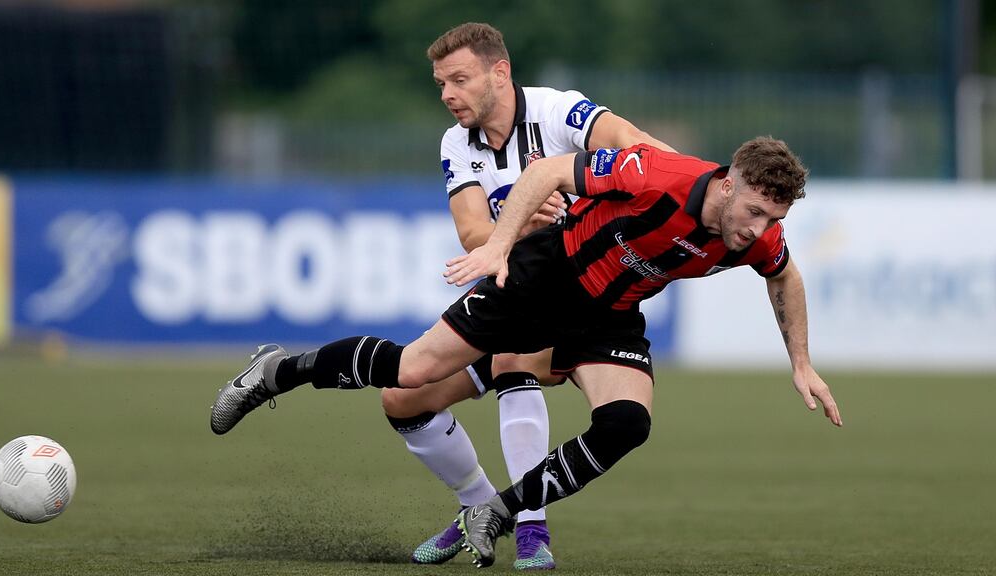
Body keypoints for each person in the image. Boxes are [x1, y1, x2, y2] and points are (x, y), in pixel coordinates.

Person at [211, 135, 842, 568]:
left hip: (607, 319)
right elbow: (547, 172)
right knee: (409, 376)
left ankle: (499, 513)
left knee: (628, 422)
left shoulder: (757, 237)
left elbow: (784, 275)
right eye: (754, 212)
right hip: (544, 276)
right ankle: (277, 370)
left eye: (771, 219)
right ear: (729, 184)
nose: (757, 231)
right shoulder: (656, 175)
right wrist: (497, 249)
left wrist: (801, 362)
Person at [378, 22, 677, 570]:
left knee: (517, 358)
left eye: (459, 80)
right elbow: (472, 233)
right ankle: (479, 507)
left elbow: (633, 143)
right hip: (514, 294)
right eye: (441, 83)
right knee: (400, 399)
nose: (447, 95)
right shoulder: (455, 142)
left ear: (500, 72)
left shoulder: (559, 110)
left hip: (586, 302)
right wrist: (513, 222)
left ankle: (532, 526)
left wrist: (690, 187)